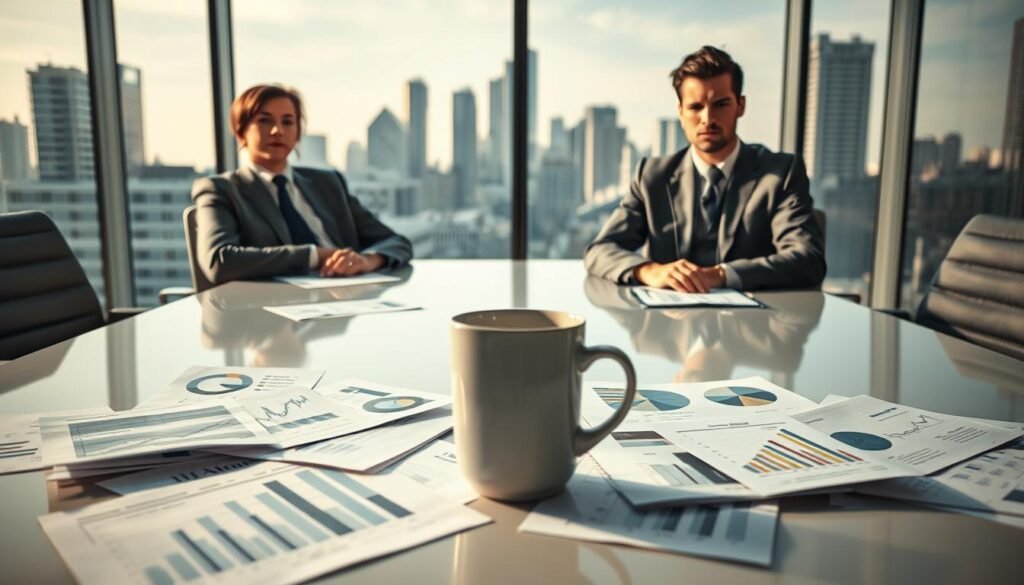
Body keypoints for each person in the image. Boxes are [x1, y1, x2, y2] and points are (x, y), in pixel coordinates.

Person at [584, 46, 825, 292]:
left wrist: (721, 275)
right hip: (669, 324)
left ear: (740, 106)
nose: (708, 118)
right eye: (695, 107)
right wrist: (649, 271)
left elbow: (807, 259)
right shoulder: (653, 176)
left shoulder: (780, 173)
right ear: (680, 111)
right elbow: (600, 251)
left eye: (721, 104)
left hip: (755, 325)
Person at [192, 84, 412, 286]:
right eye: (265, 120)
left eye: (287, 121)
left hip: (347, 299)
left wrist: (368, 260)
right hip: (271, 314)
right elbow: (219, 261)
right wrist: (315, 255)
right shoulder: (220, 189)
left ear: (298, 133)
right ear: (241, 131)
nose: (277, 130)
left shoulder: (327, 183)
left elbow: (396, 242)